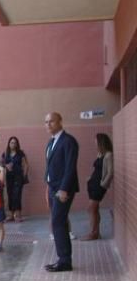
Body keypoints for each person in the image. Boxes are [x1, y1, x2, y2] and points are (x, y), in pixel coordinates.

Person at [43, 112, 79, 272]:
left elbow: (70, 168)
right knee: (60, 222)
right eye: (46, 122)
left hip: (62, 189)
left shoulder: (68, 141)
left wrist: (63, 189)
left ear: (60, 122)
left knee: (57, 222)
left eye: (51, 121)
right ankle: (64, 259)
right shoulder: (51, 142)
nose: (48, 125)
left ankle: (64, 261)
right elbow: (51, 167)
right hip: (52, 188)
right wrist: (48, 184)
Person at [81, 133, 114, 241]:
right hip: (93, 184)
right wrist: (90, 178)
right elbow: (98, 170)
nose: (94, 143)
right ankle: (96, 233)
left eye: (96, 141)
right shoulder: (100, 154)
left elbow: (110, 172)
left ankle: (93, 233)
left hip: (99, 186)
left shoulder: (109, 155)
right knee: (95, 209)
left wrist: (103, 184)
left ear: (101, 142)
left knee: (91, 208)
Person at [2, 137, 29, 223]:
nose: (13, 144)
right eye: (11, 142)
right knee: (10, 195)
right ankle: (11, 215)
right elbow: (1, 163)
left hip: (18, 177)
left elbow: (26, 165)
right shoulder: (5, 153)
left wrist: (24, 176)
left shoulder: (20, 153)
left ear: (17, 144)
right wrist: (6, 166)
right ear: (8, 144)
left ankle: (18, 215)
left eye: (14, 143)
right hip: (9, 177)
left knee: (17, 195)